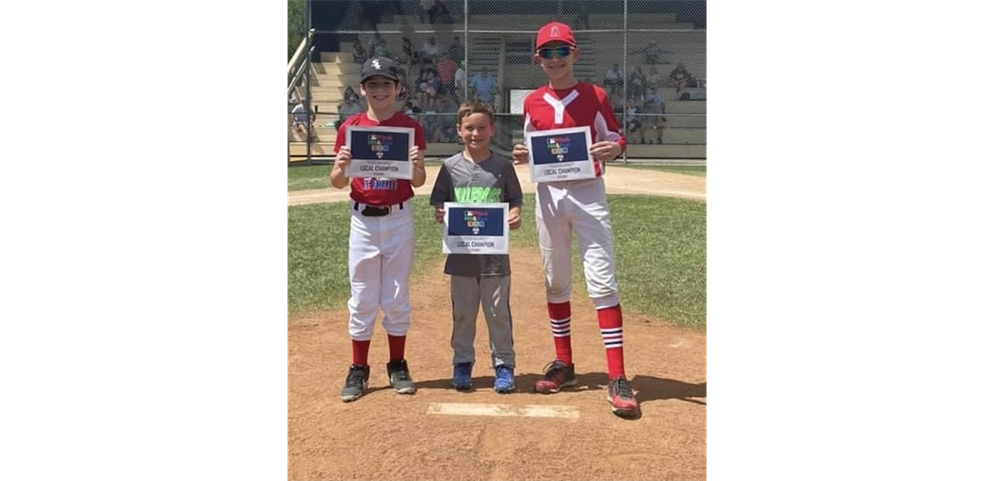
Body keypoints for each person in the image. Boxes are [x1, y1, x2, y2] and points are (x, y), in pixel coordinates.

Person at [511, 22, 639, 417]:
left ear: (574, 54)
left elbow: (616, 136)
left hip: (587, 193)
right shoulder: (532, 101)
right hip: (549, 196)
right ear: (537, 59)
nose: (554, 60)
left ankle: (617, 376)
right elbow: (537, 146)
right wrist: (525, 156)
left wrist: (615, 148)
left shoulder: (594, 94)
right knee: (556, 279)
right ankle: (563, 362)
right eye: (546, 53)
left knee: (602, 280)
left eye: (561, 51)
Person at [330, 56, 429, 403]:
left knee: (397, 295)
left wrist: (417, 167)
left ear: (398, 88)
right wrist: (341, 168)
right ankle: (359, 367)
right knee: (362, 297)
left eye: (386, 83)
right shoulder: (350, 127)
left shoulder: (409, 127)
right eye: (373, 84)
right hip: (362, 219)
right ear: (362, 89)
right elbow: (337, 182)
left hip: (398, 216)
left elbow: (418, 180)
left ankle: (397, 364)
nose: (380, 90)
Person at [429, 99, 524, 393]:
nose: (475, 133)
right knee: (463, 312)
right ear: (459, 130)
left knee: (497, 312)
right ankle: (462, 362)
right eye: (469, 128)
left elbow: (515, 200)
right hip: (462, 257)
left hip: (494, 256)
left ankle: (504, 365)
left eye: (482, 127)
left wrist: (515, 214)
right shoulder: (449, 167)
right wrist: (441, 214)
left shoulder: (502, 166)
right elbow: (439, 203)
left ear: (492, 129)